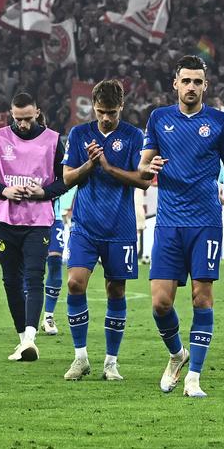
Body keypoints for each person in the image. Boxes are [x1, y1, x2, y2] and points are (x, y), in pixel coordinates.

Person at [138, 55, 224, 400]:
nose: (192, 87)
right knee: (160, 304)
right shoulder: (159, 118)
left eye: (198, 82)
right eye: (187, 81)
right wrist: (148, 164)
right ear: (176, 84)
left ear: (205, 86)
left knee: (202, 297)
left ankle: (194, 376)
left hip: (206, 222)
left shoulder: (219, 122)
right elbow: (141, 170)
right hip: (168, 222)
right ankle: (177, 354)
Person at [59, 79, 149, 381]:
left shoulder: (135, 136)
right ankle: (80, 357)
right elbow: (68, 178)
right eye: (100, 112)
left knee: (116, 290)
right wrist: (90, 164)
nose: (106, 118)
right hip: (85, 224)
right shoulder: (80, 134)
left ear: (121, 107)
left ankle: (111, 362)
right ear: (93, 108)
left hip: (120, 226)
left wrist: (109, 167)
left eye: (111, 112)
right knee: (74, 283)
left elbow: (144, 179)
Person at [0, 93, 69, 362]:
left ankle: (30, 336)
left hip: (38, 222)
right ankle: (22, 340)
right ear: (11, 115)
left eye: (28, 119)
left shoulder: (53, 140)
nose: (23, 124)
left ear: (38, 113)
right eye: (18, 119)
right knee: (10, 281)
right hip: (5, 220)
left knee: (33, 277)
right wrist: (3, 190)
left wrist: (44, 192)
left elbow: (66, 179)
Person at [41, 186, 76, 335]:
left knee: (55, 261)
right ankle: (27, 314)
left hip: (54, 218)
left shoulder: (55, 162)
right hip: (30, 218)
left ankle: (48, 316)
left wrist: (70, 206)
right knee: (31, 267)